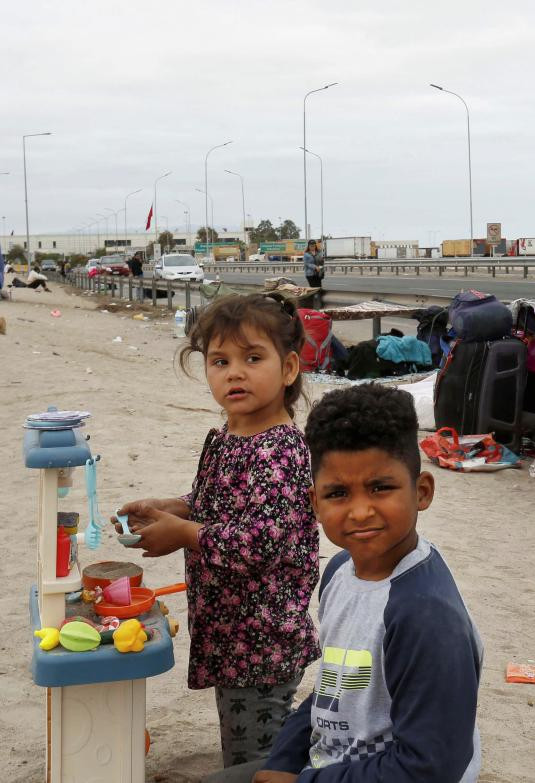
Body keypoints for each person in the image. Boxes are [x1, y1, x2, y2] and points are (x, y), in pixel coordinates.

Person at [233, 383, 483, 783]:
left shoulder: (424, 614)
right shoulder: (338, 572)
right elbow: (333, 693)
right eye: (338, 493)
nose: (361, 511)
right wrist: (280, 761)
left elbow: (431, 767)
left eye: (380, 488)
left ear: (421, 492)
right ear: (315, 503)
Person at [112, 293, 320, 772]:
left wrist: (184, 534)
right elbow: (215, 503)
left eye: (253, 358)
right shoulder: (225, 436)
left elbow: (261, 542)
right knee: (242, 736)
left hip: (264, 640)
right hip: (230, 633)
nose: (234, 373)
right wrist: (173, 507)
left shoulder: (281, 451)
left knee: (260, 759)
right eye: (220, 361)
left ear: (288, 369)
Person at [303, 240, 324, 308]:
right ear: (308, 246)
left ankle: (319, 305)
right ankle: (314, 306)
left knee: (319, 289)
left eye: (314, 246)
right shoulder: (306, 254)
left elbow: (321, 262)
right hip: (310, 274)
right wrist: (315, 267)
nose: (313, 247)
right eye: (311, 246)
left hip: (318, 274)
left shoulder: (319, 252)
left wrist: (321, 269)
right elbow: (307, 264)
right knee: (314, 290)